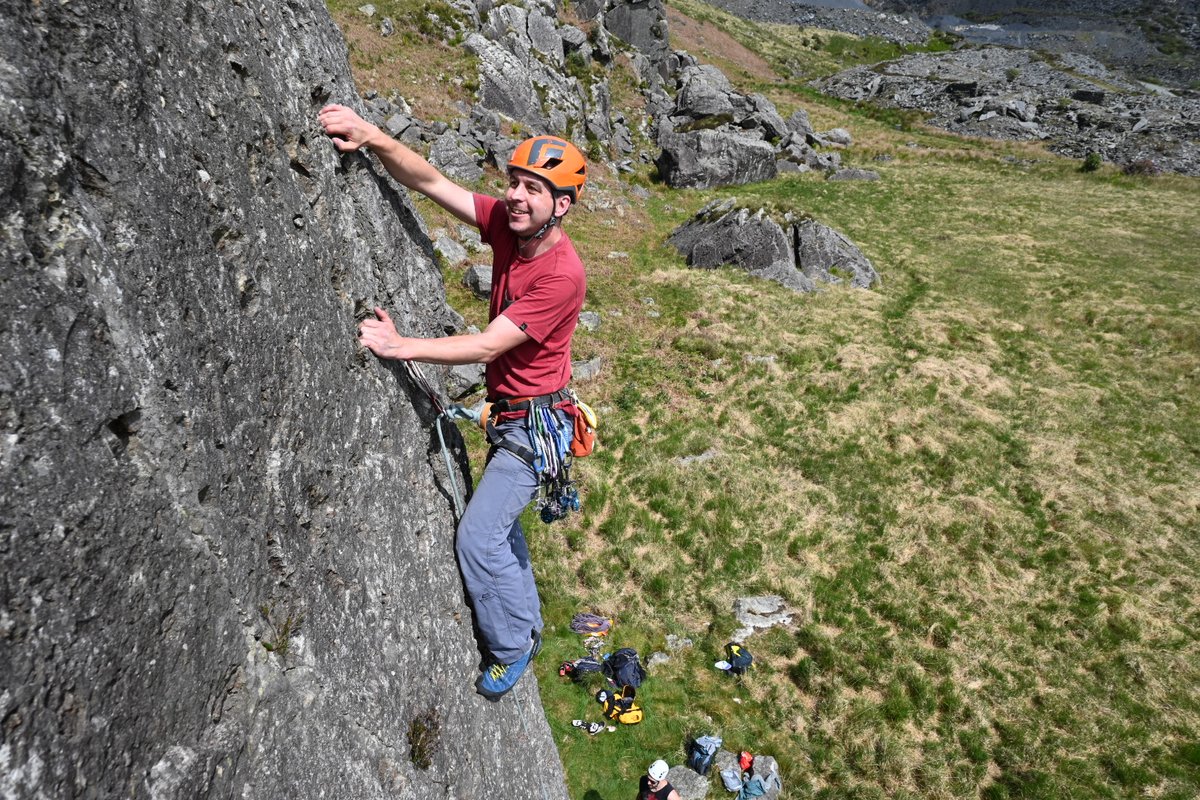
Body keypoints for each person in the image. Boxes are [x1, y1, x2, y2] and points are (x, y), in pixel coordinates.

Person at [317, 103, 587, 699]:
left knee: (479, 537)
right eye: (514, 182)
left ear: (561, 206)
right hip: (513, 417)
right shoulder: (509, 227)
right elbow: (433, 183)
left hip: (534, 426)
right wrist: (373, 136)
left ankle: (511, 647)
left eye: (533, 189)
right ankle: (528, 624)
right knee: (500, 531)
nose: (515, 196)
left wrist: (400, 346)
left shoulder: (562, 274)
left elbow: (489, 344)